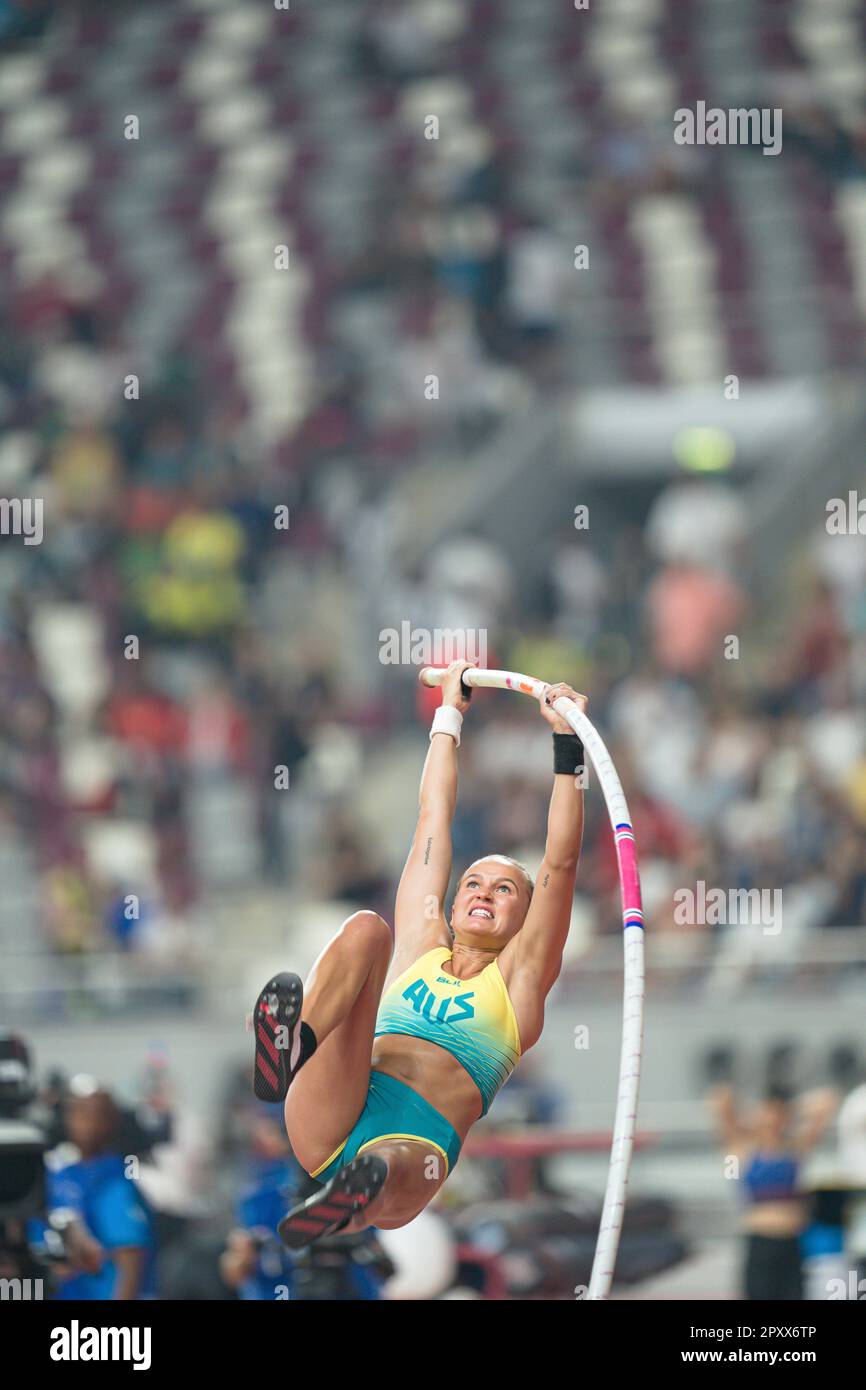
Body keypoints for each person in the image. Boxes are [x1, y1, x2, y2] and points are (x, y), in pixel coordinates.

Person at [251, 658, 587, 1245]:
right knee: (364, 929)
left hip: (413, 1147)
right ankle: (288, 1051)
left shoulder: (521, 979)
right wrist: (449, 716)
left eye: (504, 889)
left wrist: (567, 742)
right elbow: (434, 815)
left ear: (527, 918)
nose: (482, 893)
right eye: (474, 884)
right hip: (332, 1109)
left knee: (393, 1163)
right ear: (454, 904)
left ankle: (347, 1201)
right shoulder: (420, 944)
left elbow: (559, 861)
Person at [707, 1083, 837, 1300]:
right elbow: (719, 1100)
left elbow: (826, 1102)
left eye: (778, 1115)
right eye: (768, 1114)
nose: (773, 1121)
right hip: (761, 1240)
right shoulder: (743, 1149)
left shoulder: (795, 1148)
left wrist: (790, 1109)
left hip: (792, 1241)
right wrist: (753, 1115)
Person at [45, 1086, 158, 1300]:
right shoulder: (61, 1173)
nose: (88, 1123)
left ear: (112, 1122)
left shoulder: (112, 1179)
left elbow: (130, 1258)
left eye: (97, 1115)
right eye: (79, 1112)